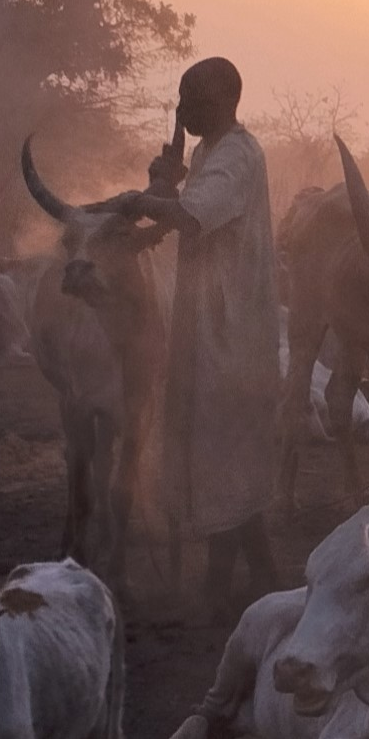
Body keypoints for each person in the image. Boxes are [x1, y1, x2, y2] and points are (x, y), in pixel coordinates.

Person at [125, 59, 281, 617]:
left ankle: (233, 582)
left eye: (190, 99)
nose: (180, 110)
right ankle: (254, 575)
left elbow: (192, 219)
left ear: (223, 101)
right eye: (179, 99)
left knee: (221, 449)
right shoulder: (207, 152)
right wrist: (164, 181)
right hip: (209, 322)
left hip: (233, 327)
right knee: (221, 454)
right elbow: (183, 210)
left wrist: (141, 202)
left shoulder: (238, 155)